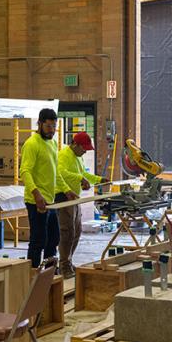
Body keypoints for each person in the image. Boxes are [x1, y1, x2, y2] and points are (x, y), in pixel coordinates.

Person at [20, 109, 78, 268]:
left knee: (53, 239)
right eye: (48, 126)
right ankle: (33, 278)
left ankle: (49, 276)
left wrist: (66, 190)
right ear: (39, 124)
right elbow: (25, 171)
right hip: (35, 201)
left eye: (54, 126)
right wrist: (36, 194)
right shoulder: (31, 144)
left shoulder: (52, 143)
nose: (52, 130)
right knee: (38, 240)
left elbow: (55, 172)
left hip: (51, 202)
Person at [55, 132, 108, 278]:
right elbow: (60, 173)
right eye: (83, 148)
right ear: (75, 144)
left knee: (77, 231)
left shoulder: (78, 157)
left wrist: (99, 179)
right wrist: (80, 178)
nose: (85, 151)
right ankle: (64, 265)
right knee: (67, 232)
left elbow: (83, 174)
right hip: (62, 196)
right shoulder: (64, 155)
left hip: (74, 197)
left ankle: (68, 261)